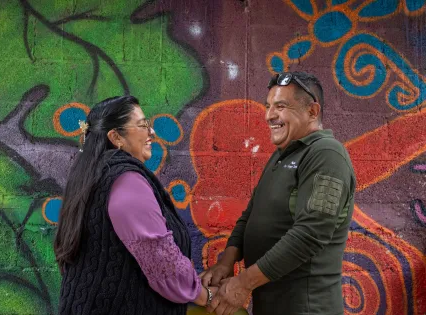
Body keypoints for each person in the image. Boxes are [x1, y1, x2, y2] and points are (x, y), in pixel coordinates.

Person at [200, 72, 356, 315]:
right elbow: (249, 217)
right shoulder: (281, 155)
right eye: (268, 106)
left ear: (312, 112)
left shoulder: (326, 154)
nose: (269, 115)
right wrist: (226, 263)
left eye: (280, 106)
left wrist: (243, 283)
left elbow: (310, 234)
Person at [54, 95, 217, 315]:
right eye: (142, 126)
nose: (152, 132)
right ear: (116, 137)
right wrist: (206, 296)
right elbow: (162, 263)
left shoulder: (91, 175)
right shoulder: (126, 182)